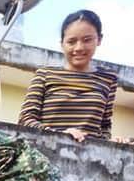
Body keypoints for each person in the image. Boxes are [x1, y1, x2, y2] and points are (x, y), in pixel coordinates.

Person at [18, 10, 118, 143]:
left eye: (87, 40)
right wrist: (60, 136)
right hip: (45, 153)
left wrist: (113, 143)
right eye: (71, 42)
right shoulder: (45, 75)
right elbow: (25, 120)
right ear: (62, 44)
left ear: (99, 39)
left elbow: (104, 127)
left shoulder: (108, 80)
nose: (79, 48)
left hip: (89, 159)